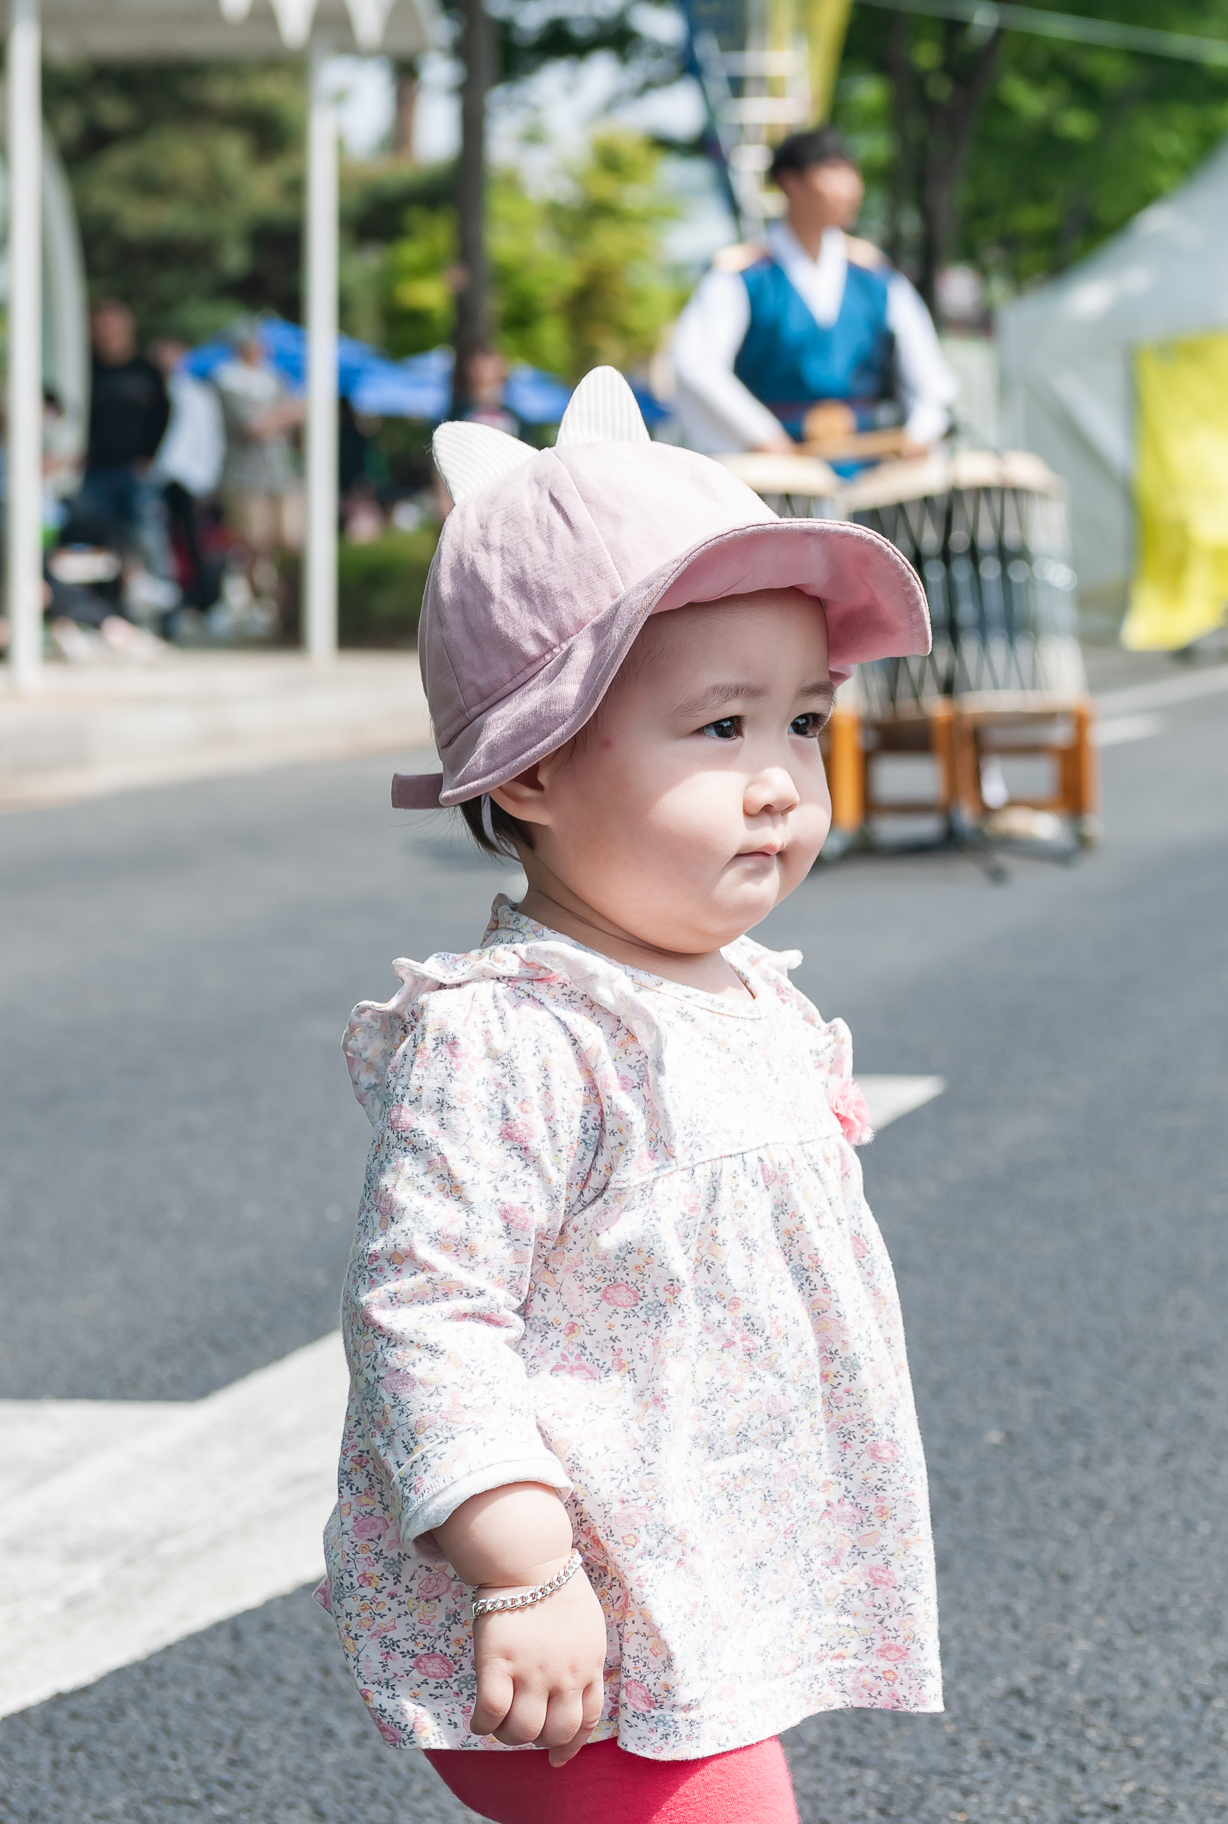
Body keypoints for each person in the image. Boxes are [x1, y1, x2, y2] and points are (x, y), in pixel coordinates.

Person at [327, 369, 940, 1823]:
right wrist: (522, 1564)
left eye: (805, 722)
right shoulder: (519, 1036)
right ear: (532, 772)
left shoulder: (743, 991)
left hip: (693, 1591)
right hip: (575, 1610)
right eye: (719, 731)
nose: (782, 781)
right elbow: (426, 1308)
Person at [670, 130, 957, 462]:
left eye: (853, 173)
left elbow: (930, 375)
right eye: (834, 172)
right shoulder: (741, 277)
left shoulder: (877, 278)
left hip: (870, 468)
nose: (850, 188)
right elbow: (697, 366)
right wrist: (763, 434)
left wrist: (922, 431)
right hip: (771, 475)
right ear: (790, 182)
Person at [212, 321, 305, 623]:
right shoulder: (227, 381)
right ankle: (255, 606)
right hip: (245, 477)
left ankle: (282, 606)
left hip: (279, 474)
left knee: (289, 540)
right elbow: (252, 426)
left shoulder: (273, 378)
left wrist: (277, 417)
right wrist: (283, 415)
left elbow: (291, 417)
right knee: (253, 543)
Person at [75, 298, 172, 582]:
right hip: (93, 470)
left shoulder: (145, 371)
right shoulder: (84, 370)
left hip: (135, 471)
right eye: (101, 324)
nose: (107, 330)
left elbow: (163, 414)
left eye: (113, 323)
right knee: (98, 541)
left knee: (148, 537)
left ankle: (161, 604)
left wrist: (149, 454)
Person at [150, 336, 225, 629]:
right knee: (159, 543)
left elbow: (211, 439)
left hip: (191, 478)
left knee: (196, 543)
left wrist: (207, 479)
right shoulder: (151, 391)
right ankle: (170, 602)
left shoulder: (198, 394)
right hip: (157, 476)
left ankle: (204, 601)